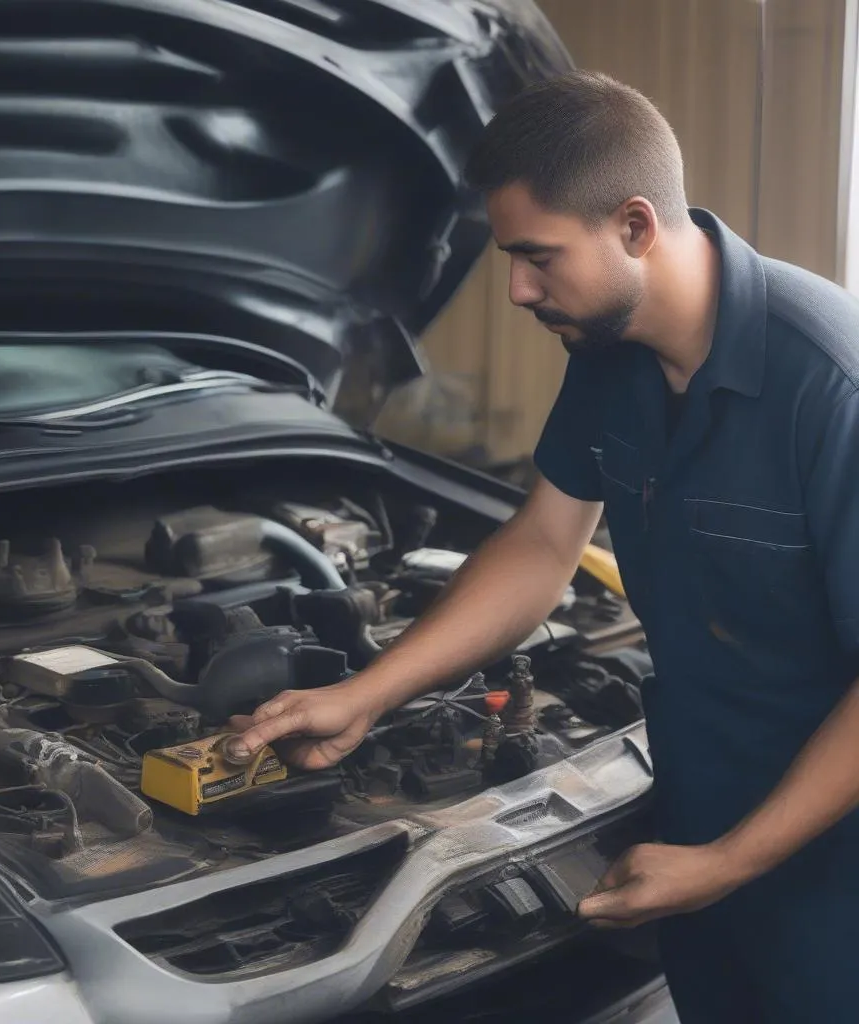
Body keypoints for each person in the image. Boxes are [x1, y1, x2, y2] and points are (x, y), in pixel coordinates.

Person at [227, 71, 859, 1022]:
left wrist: (727, 864)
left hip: (829, 867)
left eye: (538, 257)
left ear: (636, 226)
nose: (519, 289)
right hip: (696, 817)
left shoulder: (830, 386)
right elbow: (543, 543)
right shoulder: (609, 358)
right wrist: (363, 694)